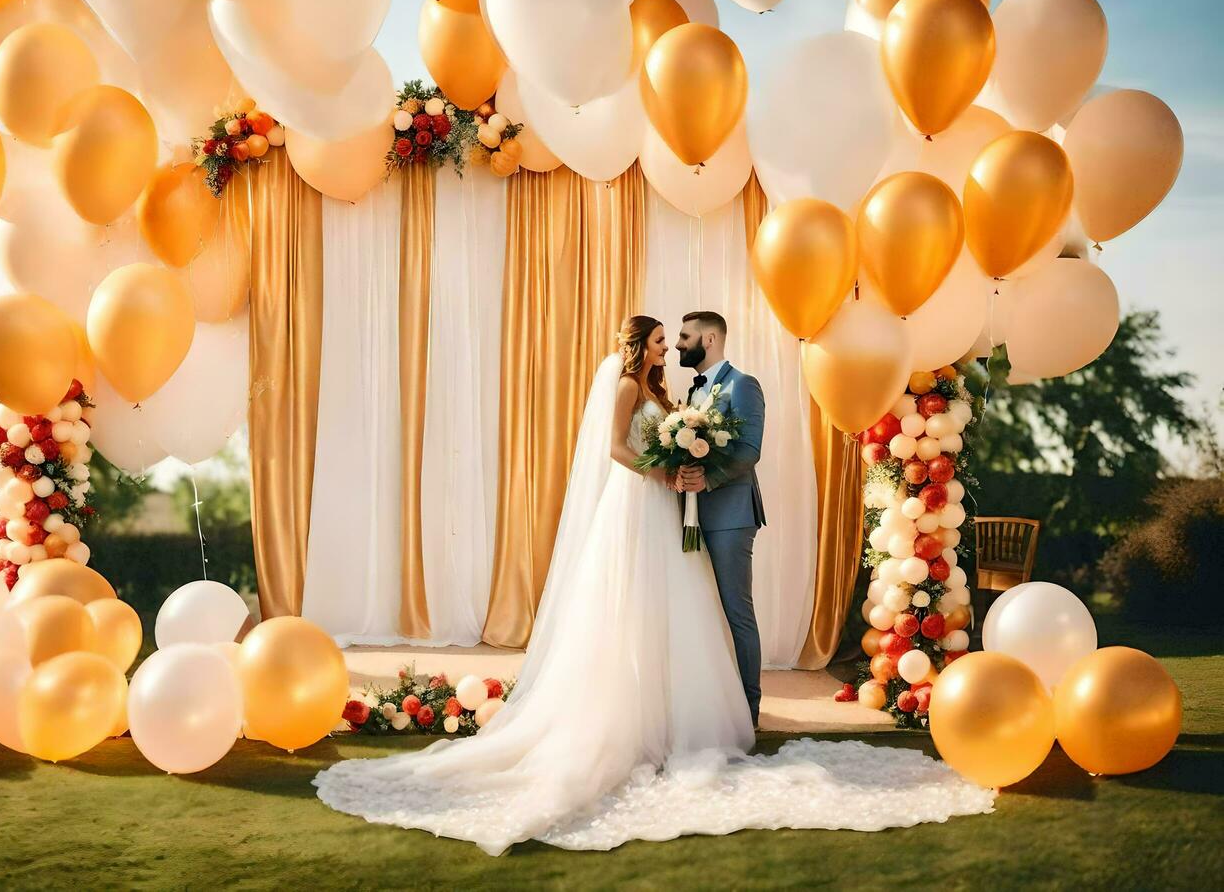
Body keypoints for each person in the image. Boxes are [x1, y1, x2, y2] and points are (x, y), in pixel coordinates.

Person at [313, 317, 992, 855]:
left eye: (677, 339)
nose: (672, 347)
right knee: (631, 604)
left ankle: (689, 712)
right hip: (637, 505)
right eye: (663, 340)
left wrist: (683, 467)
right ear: (640, 346)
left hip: (674, 509)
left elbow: (723, 449)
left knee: (689, 608)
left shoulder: (677, 393)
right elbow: (616, 448)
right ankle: (634, 716)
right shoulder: (629, 388)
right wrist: (667, 473)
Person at [674, 310, 766, 726]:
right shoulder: (693, 394)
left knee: (736, 611)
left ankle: (749, 709)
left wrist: (704, 481)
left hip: (730, 515)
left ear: (709, 340)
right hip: (691, 517)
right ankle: (713, 703)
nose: (678, 344)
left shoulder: (743, 385)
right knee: (701, 611)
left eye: (684, 336)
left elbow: (749, 452)